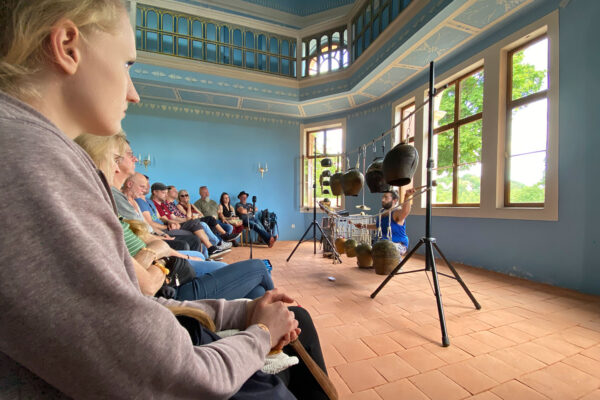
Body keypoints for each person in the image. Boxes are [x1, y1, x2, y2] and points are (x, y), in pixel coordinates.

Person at [0, 2, 328, 398]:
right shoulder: (30, 162)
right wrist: (260, 333)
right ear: (69, 46)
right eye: (127, 64)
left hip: (164, 334)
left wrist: (244, 312)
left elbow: (135, 313)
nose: (134, 93)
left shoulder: (38, 153)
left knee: (291, 318)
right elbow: (167, 373)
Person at [356, 189, 415, 255]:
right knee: (363, 249)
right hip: (383, 243)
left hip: (399, 245)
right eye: (383, 197)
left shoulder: (397, 212)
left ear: (394, 200)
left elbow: (405, 212)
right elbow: (378, 226)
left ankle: (396, 263)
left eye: (386, 197)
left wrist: (406, 196)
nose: (383, 200)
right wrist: (363, 226)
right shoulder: (382, 212)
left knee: (384, 248)